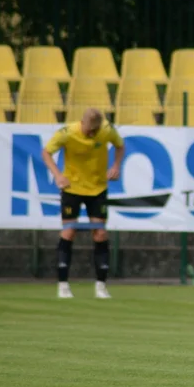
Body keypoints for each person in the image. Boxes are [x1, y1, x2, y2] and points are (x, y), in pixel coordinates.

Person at [41, 108, 124, 300]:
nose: (92, 134)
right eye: (89, 131)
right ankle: (63, 285)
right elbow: (46, 153)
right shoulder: (68, 132)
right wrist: (58, 175)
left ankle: (101, 286)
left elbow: (120, 146)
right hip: (72, 188)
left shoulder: (107, 130)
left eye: (96, 131)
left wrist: (116, 166)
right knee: (69, 231)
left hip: (97, 188)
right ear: (82, 123)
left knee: (101, 233)